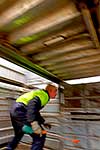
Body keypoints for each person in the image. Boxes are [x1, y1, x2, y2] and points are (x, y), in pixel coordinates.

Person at [7, 84, 57, 150]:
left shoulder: (40, 93)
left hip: (15, 110)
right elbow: (31, 106)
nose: (56, 94)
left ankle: (9, 148)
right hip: (21, 110)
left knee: (19, 134)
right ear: (50, 91)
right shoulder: (44, 95)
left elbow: (35, 111)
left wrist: (43, 122)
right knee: (40, 135)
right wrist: (34, 123)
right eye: (55, 91)